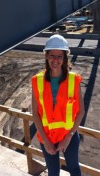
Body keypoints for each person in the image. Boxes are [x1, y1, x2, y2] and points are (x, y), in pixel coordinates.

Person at [31, 34, 85, 176]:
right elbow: (35, 113)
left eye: (59, 56)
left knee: (74, 169)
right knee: (53, 172)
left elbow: (81, 112)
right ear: (47, 56)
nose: (56, 60)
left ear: (65, 58)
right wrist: (46, 141)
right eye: (52, 55)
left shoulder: (73, 80)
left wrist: (68, 137)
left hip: (69, 136)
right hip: (47, 137)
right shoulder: (37, 81)